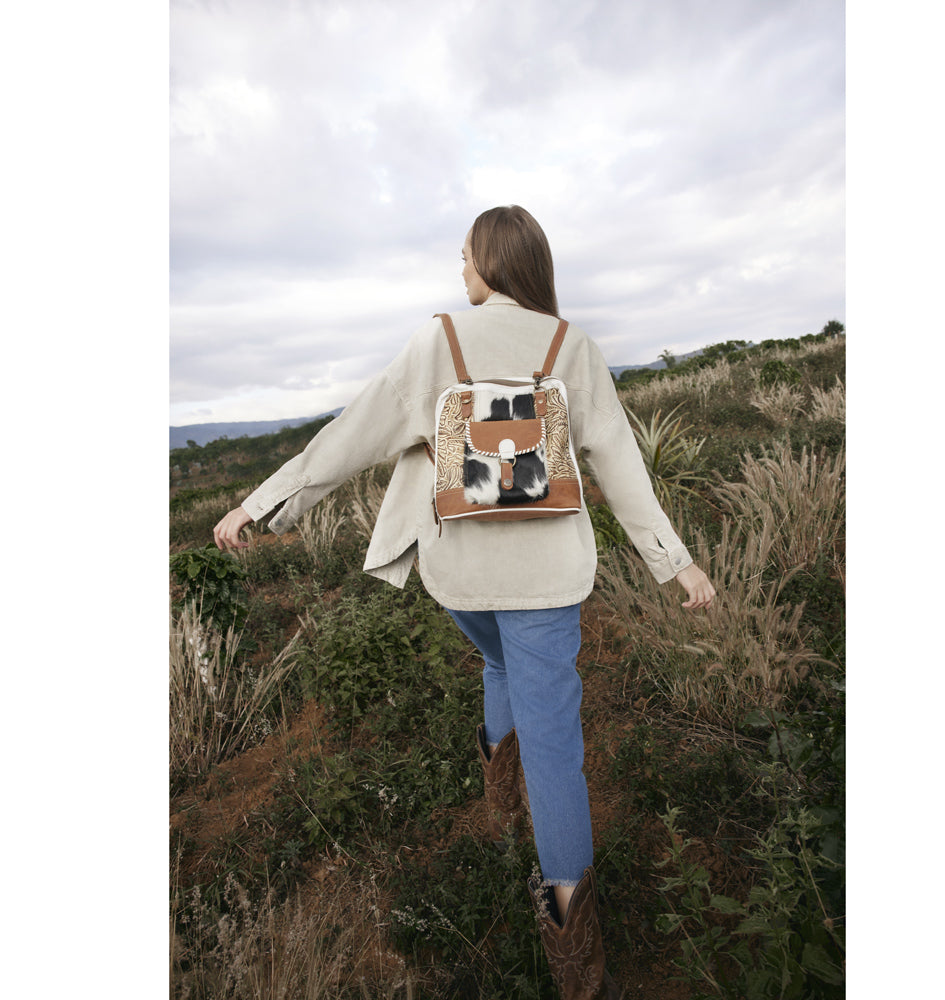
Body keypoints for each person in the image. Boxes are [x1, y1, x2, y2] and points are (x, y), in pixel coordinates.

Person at [214, 205, 715, 1000]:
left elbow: (349, 437)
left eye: (466, 257)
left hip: (461, 575)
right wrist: (675, 564)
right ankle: (577, 963)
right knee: (558, 748)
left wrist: (260, 504)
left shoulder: (437, 341)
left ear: (490, 264)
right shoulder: (570, 347)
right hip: (550, 578)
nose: (460, 271)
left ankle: (497, 806)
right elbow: (621, 465)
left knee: (493, 658)